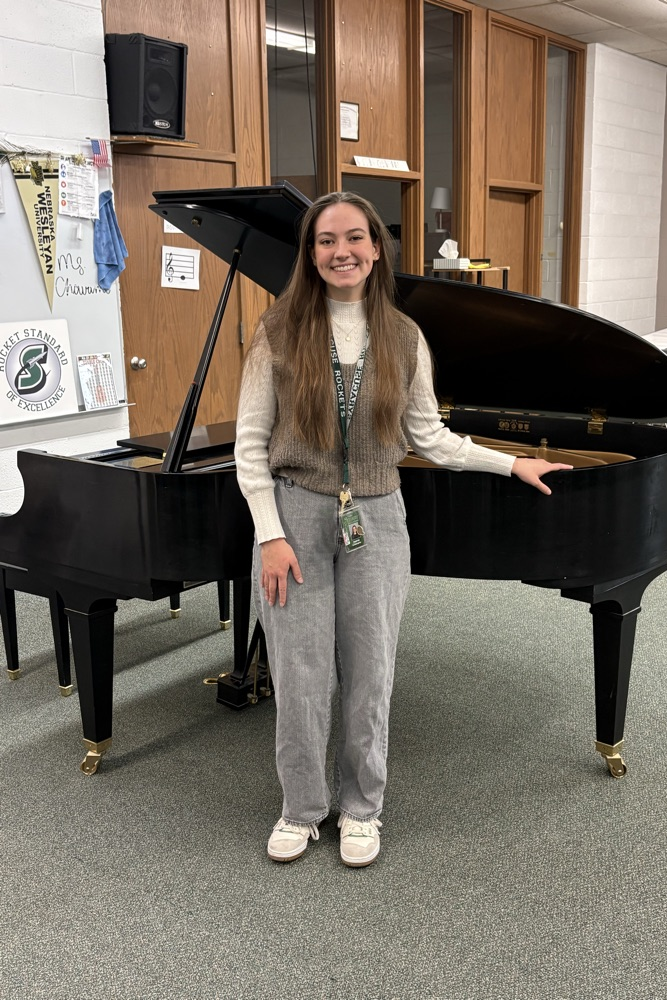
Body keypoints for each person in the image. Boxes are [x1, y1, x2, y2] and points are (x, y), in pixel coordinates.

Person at [235, 190, 572, 868]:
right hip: (294, 515)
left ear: (376, 247)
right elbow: (249, 445)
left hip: (380, 518)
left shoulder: (404, 336)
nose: (341, 252)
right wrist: (270, 535)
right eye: (326, 241)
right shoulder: (276, 330)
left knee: (371, 673)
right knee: (300, 675)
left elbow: (430, 438)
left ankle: (362, 807)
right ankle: (301, 808)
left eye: (354, 237)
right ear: (310, 253)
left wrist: (511, 462)